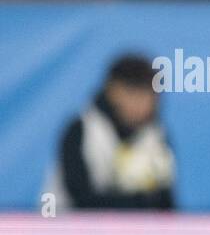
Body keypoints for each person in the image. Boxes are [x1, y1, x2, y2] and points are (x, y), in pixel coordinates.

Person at [45, 55, 176, 210]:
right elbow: (81, 200)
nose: (142, 102)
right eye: (133, 92)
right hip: (66, 229)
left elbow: (165, 203)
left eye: (149, 94)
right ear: (113, 90)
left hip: (136, 232)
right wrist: (141, 202)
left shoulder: (156, 136)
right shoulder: (81, 130)